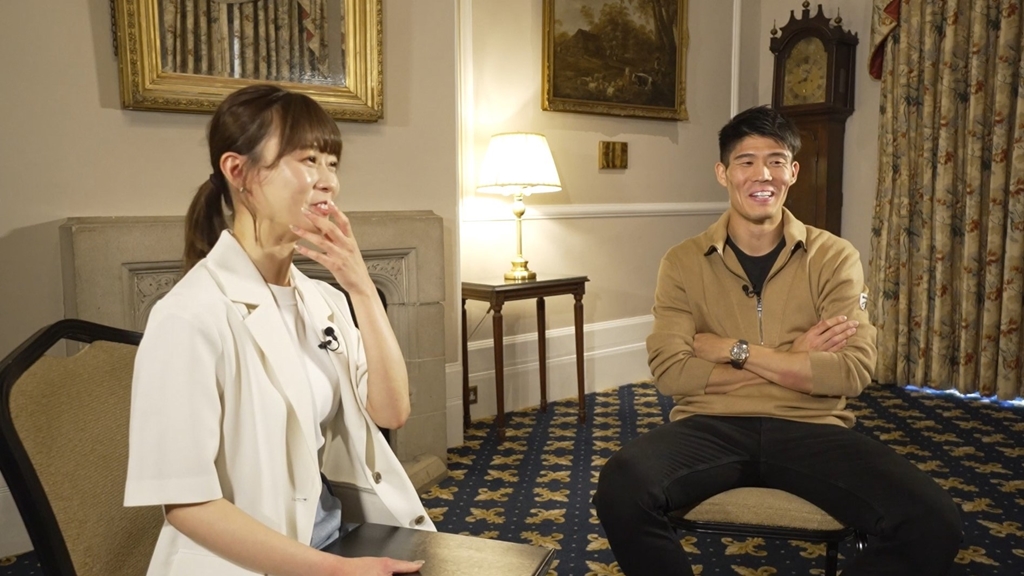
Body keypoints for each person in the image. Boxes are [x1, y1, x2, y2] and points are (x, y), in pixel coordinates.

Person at [593, 106, 962, 575]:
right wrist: (795, 360)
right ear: (723, 173)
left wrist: (734, 351)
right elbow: (671, 373)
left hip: (813, 428)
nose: (762, 174)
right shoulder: (682, 262)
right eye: (746, 161)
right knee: (620, 487)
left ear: (793, 172)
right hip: (710, 427)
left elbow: (852, 372)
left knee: (934, 521)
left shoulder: (835, 257)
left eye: (775, 161)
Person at [124, 84, 433, 576]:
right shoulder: (188, 316)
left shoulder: (324, 299)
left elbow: (391, 412)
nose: (328, 181)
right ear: (238, 171)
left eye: (332, 163)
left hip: (333, 538)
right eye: (308, 160)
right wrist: (334, 571)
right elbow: (186, 506)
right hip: (250, 564)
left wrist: (361, 290)